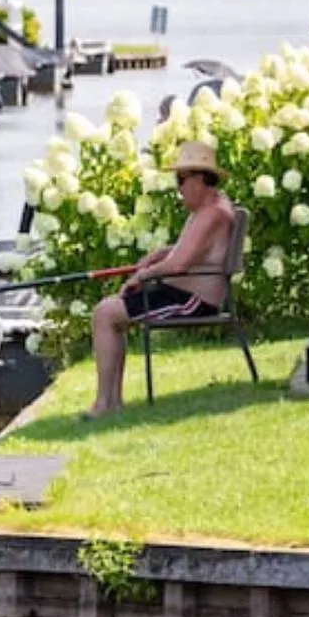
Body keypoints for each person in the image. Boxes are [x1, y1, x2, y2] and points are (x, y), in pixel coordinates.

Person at [85, 141, 235, 420]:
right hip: (182, 293)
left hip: (192, 301)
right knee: (107, 312)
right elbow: (186, 251)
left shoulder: (211, 213)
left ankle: (106, 404)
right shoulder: (211, 207)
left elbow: (179, 264)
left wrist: (143, 275)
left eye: (181, 179)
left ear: (200, 179)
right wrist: (157, 255)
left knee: (105, 314)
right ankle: (110, 402)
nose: (178, 187)